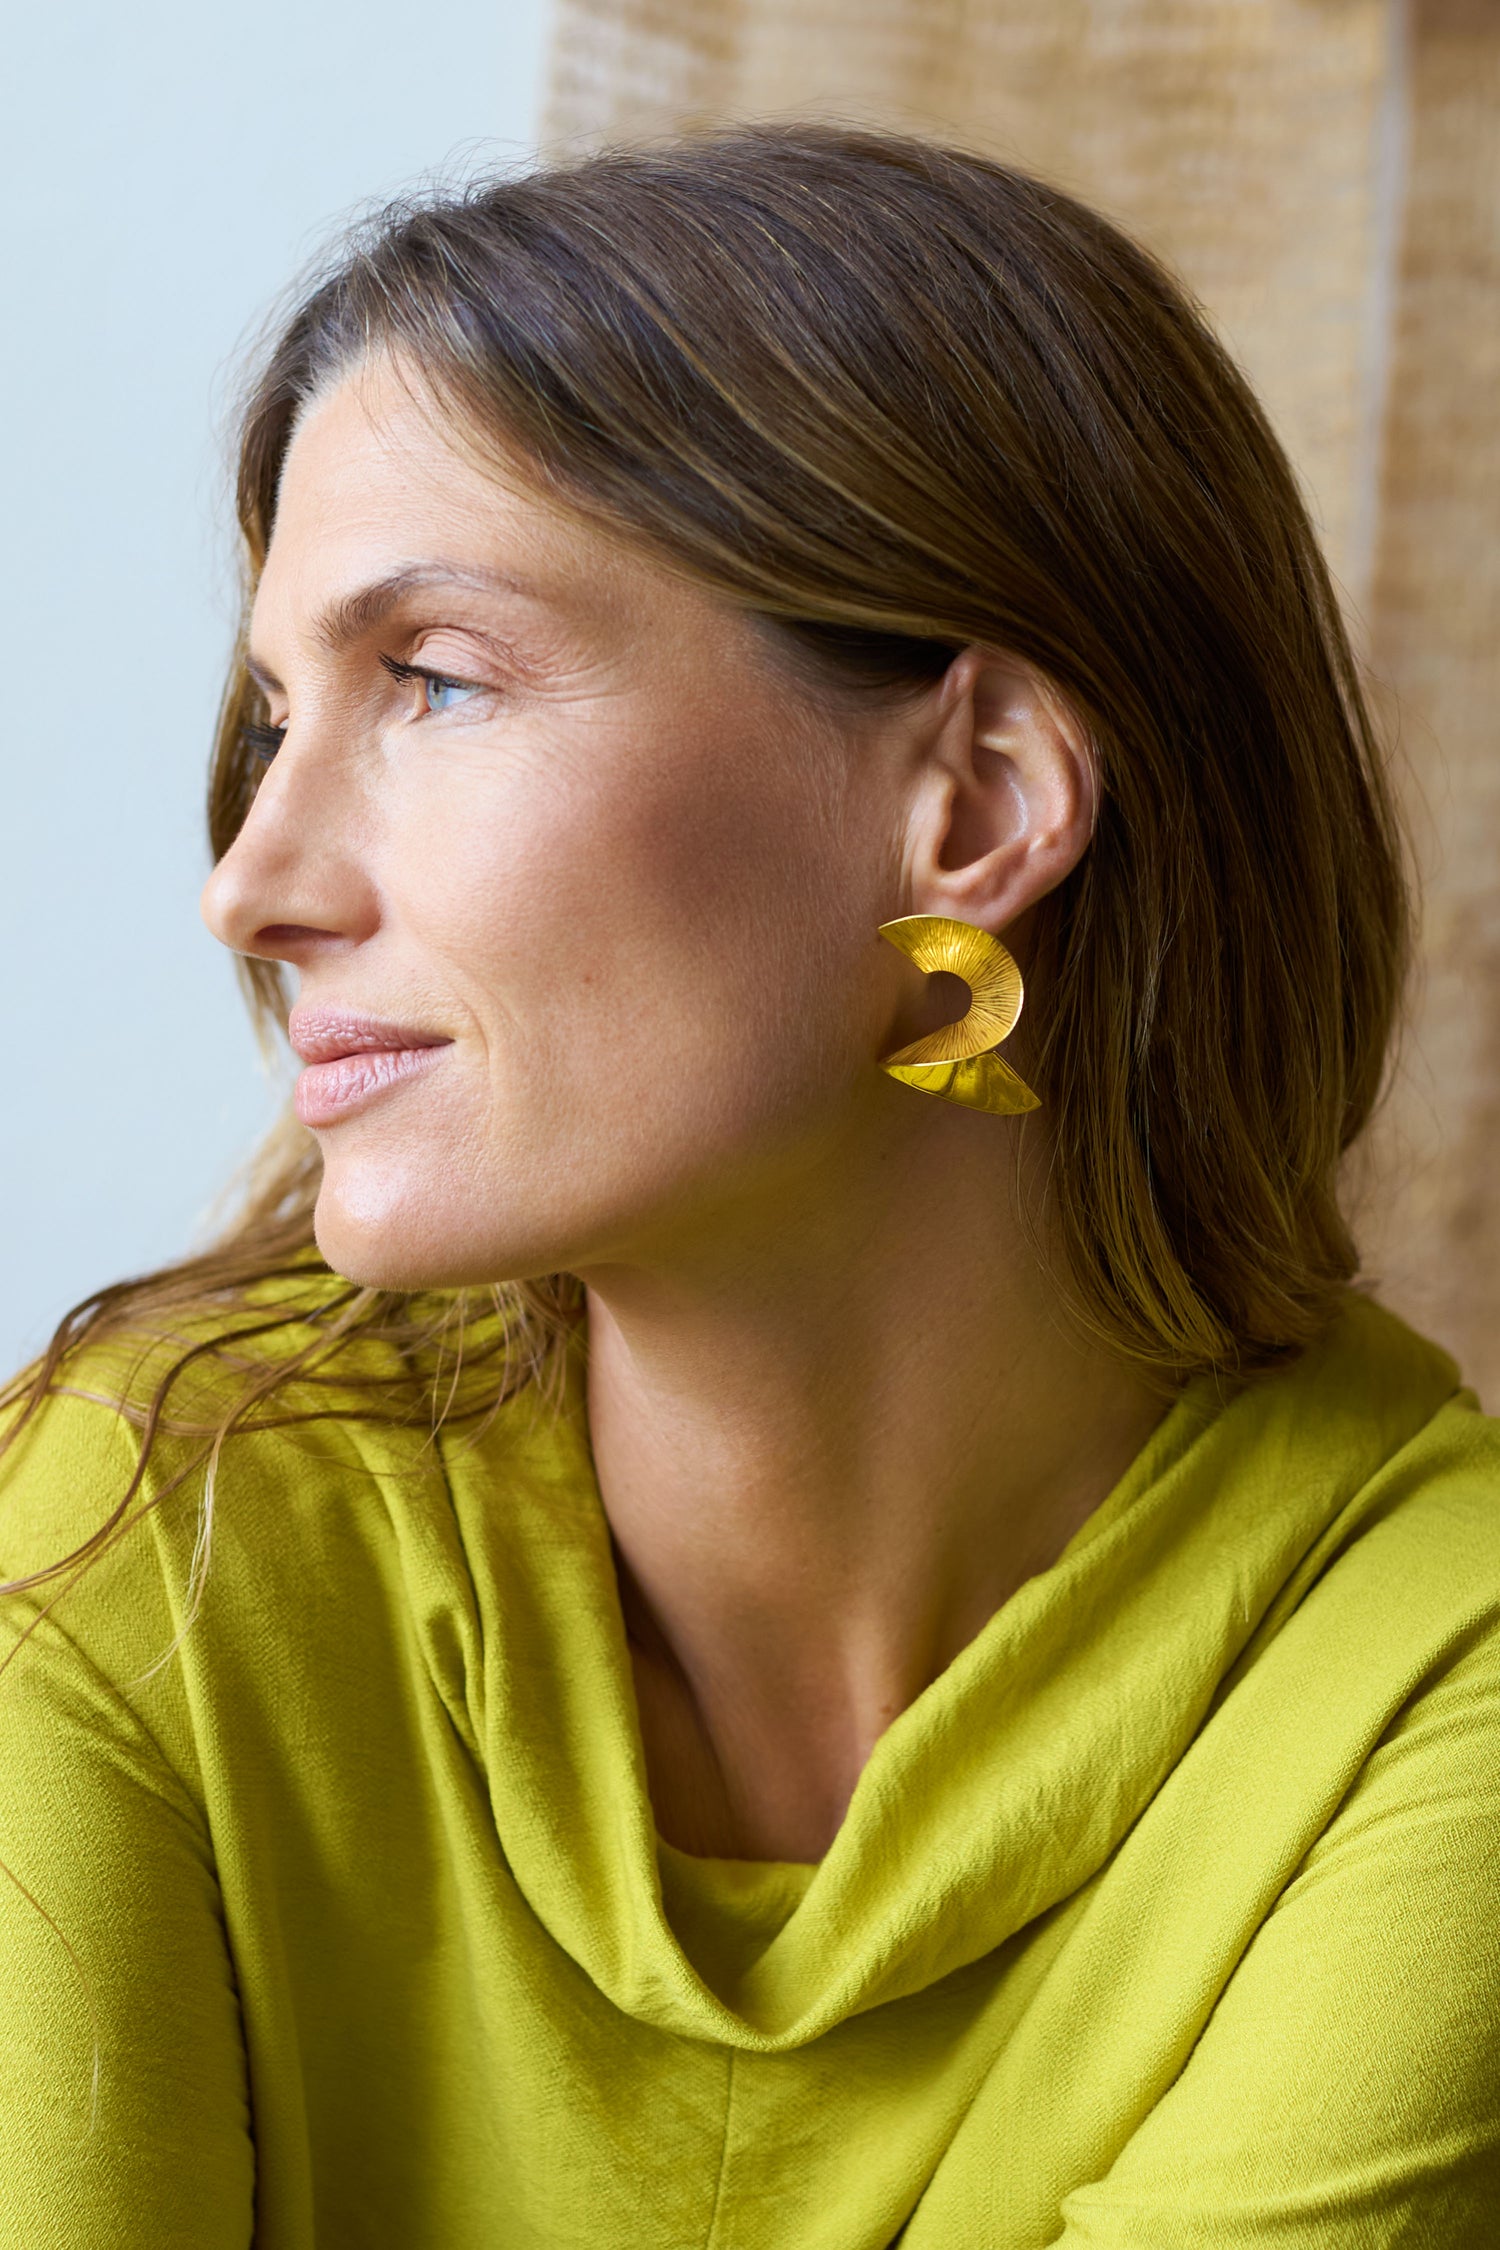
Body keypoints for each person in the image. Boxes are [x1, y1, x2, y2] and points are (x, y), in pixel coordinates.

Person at [1, 123, 1496, 2248]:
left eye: (431, 680)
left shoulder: (1430, 1681)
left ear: (975, 806)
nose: (253, 884)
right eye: (275, 713)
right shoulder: (148, 1535)